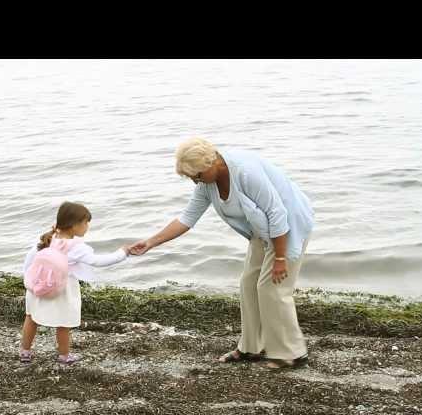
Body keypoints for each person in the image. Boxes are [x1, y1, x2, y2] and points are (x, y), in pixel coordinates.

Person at [129, 138, 314, 370]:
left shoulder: (245, 172)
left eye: (196, 175)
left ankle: (292, 354)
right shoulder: (206, 184)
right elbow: (187, 218)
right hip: (262, 231)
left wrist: (279, 258)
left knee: (272, 288)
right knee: (248, 283)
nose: (194, 181)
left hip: (288, 227)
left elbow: (277, 213)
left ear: (212, 163)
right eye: (191, 178)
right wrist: (150, 242)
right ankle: (251, 348)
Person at [20, 201, 130, 365]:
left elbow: (29, 262)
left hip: (37, 287)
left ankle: (25, 352)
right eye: (86, 222)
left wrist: (29, 281)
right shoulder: (76, 247)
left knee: (31, 318)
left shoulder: (46, 237)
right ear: (73, 225)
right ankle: (64, 356)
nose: (87, 226)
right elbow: (98, 261)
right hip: (61, 290)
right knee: (64, 323)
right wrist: (124, 252)